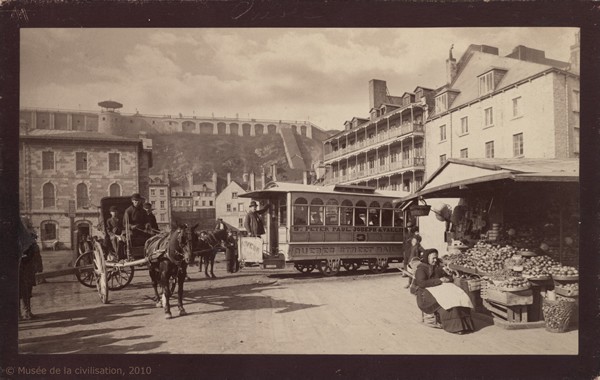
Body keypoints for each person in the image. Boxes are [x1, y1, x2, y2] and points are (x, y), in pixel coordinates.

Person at [413, 249, 475, 334]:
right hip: (425, 295)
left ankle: (465, 325)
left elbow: (447, 277)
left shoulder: (438, 267)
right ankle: (456, 327)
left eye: (436, 258)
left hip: (440, 290)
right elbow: (422, 283)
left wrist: (447, 278)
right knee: (447, 301)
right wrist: (439, 280)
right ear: (427, 258)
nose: (435, 260)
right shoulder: (421, 269)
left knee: (458, 296)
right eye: (433, 258)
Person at [18, 216, 43, 320]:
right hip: (23, 267)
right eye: (28, 224)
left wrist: (38, 266)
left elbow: (35, 253)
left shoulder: (30, 236)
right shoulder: (22, 237)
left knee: (27, 290)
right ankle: (20, 313)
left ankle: (27, 312)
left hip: (29, 267)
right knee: (21, 290)